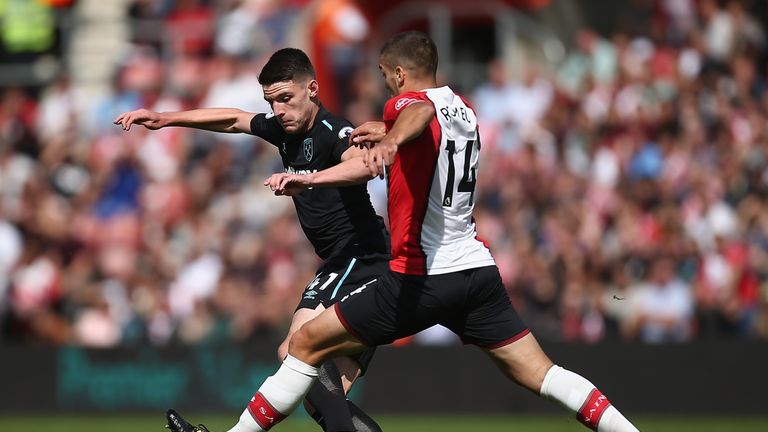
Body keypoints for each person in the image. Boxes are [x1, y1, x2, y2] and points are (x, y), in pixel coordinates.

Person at [181, 32, 642, 432]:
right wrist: (387, 130)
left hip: (420, 276)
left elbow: (417, 115)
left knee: (301, 344)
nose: (385, 83)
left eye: (385, 75)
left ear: (400, 74)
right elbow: (431, 129)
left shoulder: (408, 105)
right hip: (476, 271)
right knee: (543, 374)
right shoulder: (463, 110)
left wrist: (390, 137)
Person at [114, 48, 388, 432]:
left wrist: (307, 179)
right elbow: (233, 119)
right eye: (271, 102)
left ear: (312, 88)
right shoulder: (283, 129)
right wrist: (167, 118)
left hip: (362, 258)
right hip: (343, 263)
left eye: (285, 99)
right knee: (323, 395)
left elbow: (362, 164)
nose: (278, 110)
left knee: (296, 351)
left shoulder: (332, 130)